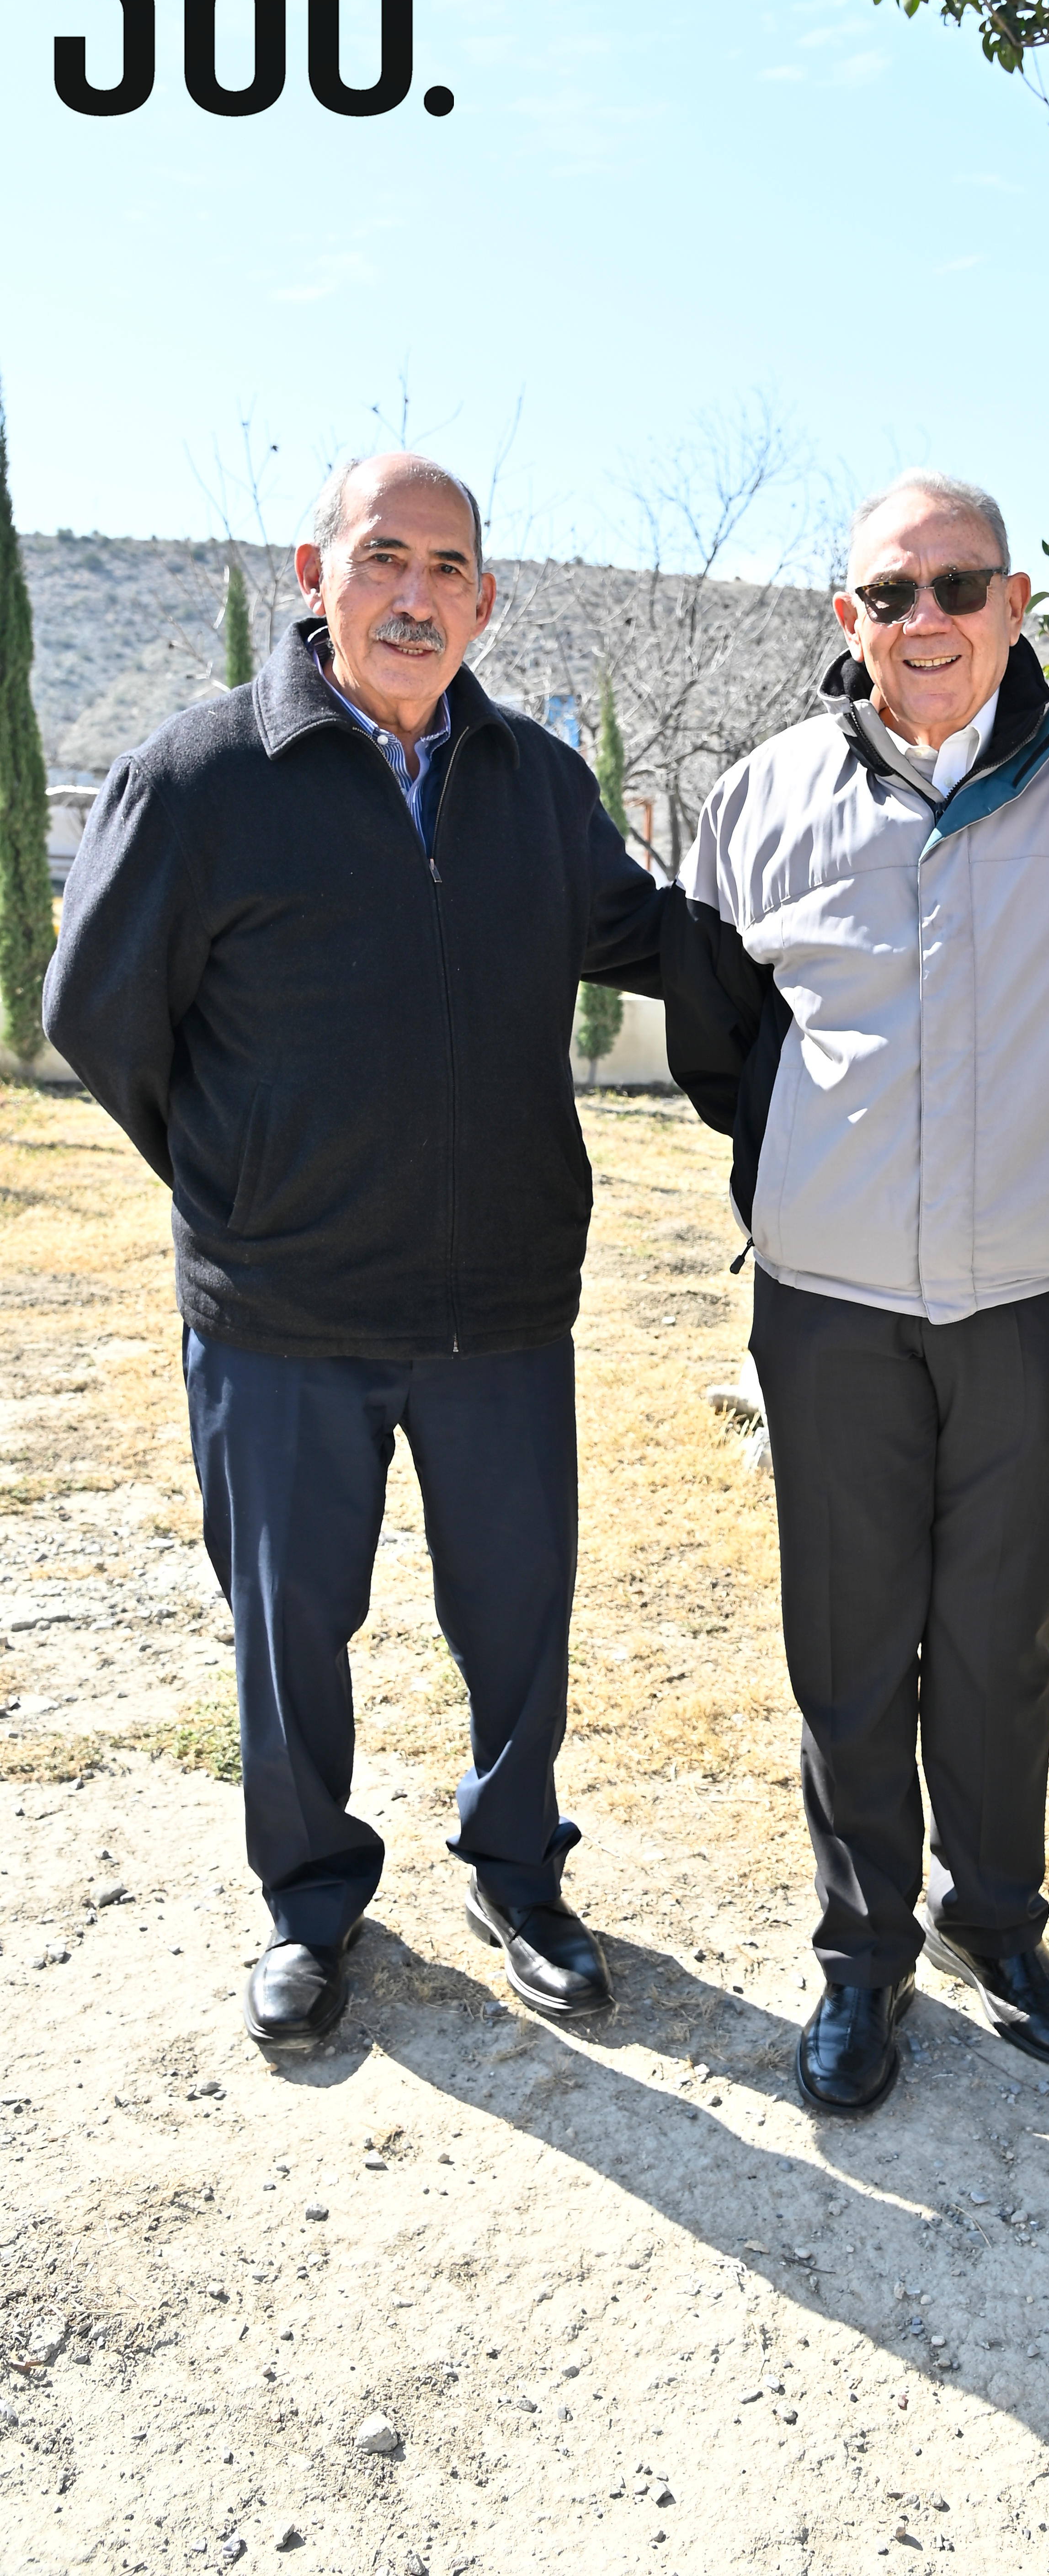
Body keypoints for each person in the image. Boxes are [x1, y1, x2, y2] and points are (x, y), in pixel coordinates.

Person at [663, 469, 1049, 2114]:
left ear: (1017, 606)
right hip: (831, 1299)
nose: (922, 621)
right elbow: (724, 1040)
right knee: (850, 1642)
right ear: (844, 619)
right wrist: (811, 1170)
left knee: (998, 1638)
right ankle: (863, 1959)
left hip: (1033, 1289)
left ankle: (997, 1925)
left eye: (957, 587)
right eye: (888, 594)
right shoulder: (762, 800)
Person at [44, 453, 662, 2050]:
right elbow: (98, 1017)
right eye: (381, 557)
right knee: (288, 1626)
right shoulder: (198, 781)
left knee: (518, 1621)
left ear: (485, 601)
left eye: (448, 567)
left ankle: (519, 1873)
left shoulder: (535, 784)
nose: (414, 593)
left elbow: (659, 941)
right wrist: (244, 1189)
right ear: (315, 573)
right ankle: (312, 1902)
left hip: (504, 1308)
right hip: (282, 1313)